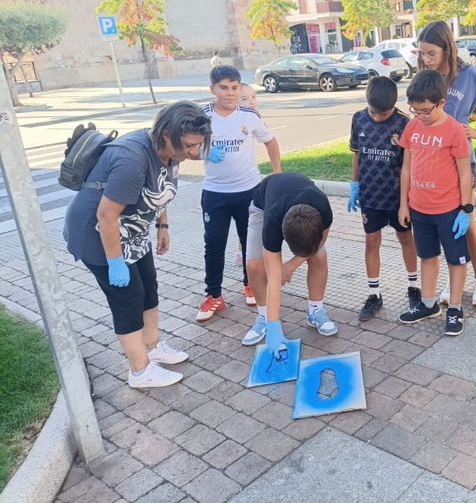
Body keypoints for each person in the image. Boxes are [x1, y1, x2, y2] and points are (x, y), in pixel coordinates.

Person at [63, 101, 212, 388]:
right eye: (189, 145)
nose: (193, 152)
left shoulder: (170, 151)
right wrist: (115, 263)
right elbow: (105, 217)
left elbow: (160, 187)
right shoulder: (131, 159)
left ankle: (152, 347)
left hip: (132, 230)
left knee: (148, 287)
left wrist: (162, 225)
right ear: (167, 135)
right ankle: (140, 371)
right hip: (98, 233)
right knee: (128, 298)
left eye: (198, 145)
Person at [416, 20, 476, 307]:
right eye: (422, 53)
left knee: (465, 221)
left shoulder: (469, 75)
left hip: (461, 159)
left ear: (447, 48)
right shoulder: (425, 76)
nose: (426, 59)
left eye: (431, 53)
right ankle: (453, 278)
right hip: (432, 160)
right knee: (443, 223)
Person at [195, 65, 282, 322]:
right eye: (223, 88)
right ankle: (214, 295)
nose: (230, 93)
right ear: (212, 89)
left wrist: (276, 173)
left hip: (249, 191)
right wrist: (203, 152)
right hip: (215, 192)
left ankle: (250, 285)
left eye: (234, 87)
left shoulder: (249, 115)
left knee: (250, 242)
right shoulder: (201, 117)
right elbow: (184, 147)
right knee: (214, 244)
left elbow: (270, 141)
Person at [397, 70, 472, 336]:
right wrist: (404, 203)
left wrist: (466, 209)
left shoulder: (454, 131)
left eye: (425, 111)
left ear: (441, 103)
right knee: (427, 256)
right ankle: (428, 304)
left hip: (448, 210)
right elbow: (406, 167)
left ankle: (455, 307)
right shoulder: (412, 127)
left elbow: (465, 173)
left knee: (456, 260)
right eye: (414, 110)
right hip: (419, 208)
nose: (419, 115)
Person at [347, 76, 420, 321]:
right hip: (370, 195)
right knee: (371, 242)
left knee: (406, 239)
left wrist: (406, 201)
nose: (378, 118)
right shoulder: (358, 119)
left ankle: (413, 287)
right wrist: (355, 183)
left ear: (393, 106)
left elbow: (409, 165)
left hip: (398, 198)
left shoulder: (404, 123)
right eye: (373, 113)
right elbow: (357, 153)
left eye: (384, 114)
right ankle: (374, 294)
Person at [240, 172, 337, 350]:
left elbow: (319, 241)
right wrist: (274, 326)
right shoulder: (272, 223)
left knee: (319, 256)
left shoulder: (323, 208)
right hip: (263, 205)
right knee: (255, 265)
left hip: (302, 201)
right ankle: (264, 317)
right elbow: (274, 278)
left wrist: (291, 266)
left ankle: (315, 311)